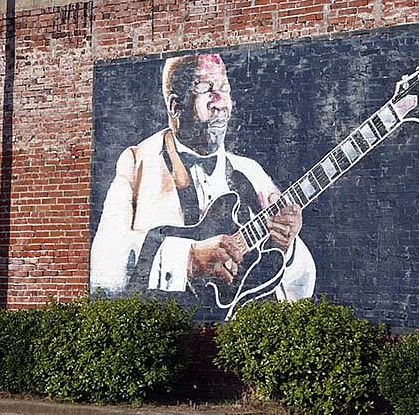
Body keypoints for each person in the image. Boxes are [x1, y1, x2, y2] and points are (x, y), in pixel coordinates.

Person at [90, 54, 315, 318]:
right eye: (206, 90)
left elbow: (300, 290)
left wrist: (288, 246)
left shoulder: (250, 173)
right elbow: (102, 266)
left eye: (224, 90)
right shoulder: (137, 162)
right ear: (175, 106)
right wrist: (190, 259)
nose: (220, 103)